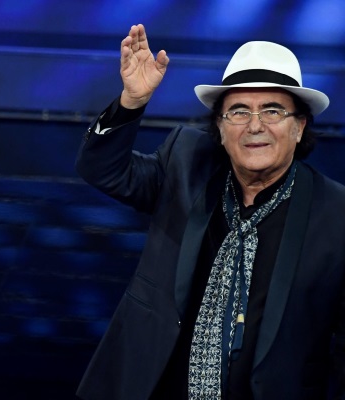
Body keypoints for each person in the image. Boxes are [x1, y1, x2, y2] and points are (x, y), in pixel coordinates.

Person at [75, 24, 345, 400]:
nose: (255, 126)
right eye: (238, 111)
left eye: (272, 111)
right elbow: (103, 170)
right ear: (219, 127)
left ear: (299, 127)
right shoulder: (186, 161)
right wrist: (131, 102)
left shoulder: (336, 214)